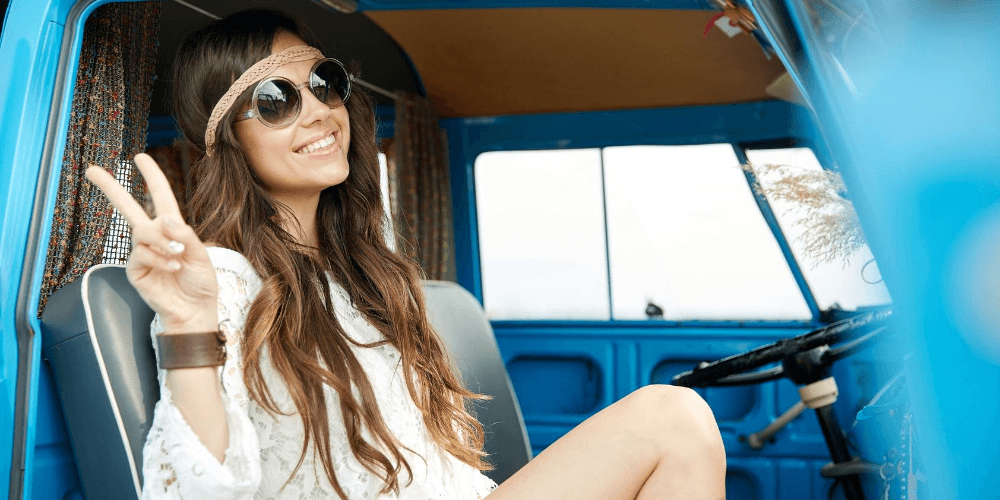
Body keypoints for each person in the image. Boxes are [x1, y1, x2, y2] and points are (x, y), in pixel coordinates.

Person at [87, 9, 727, 500]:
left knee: (678, 422)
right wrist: (187, 323)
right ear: (227, 139)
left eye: (323, 83)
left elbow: (434, 463)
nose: (316, 111)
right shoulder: (222, 280)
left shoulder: (367, 271)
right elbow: (196, 489)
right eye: (276, 102)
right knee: (674, 417)